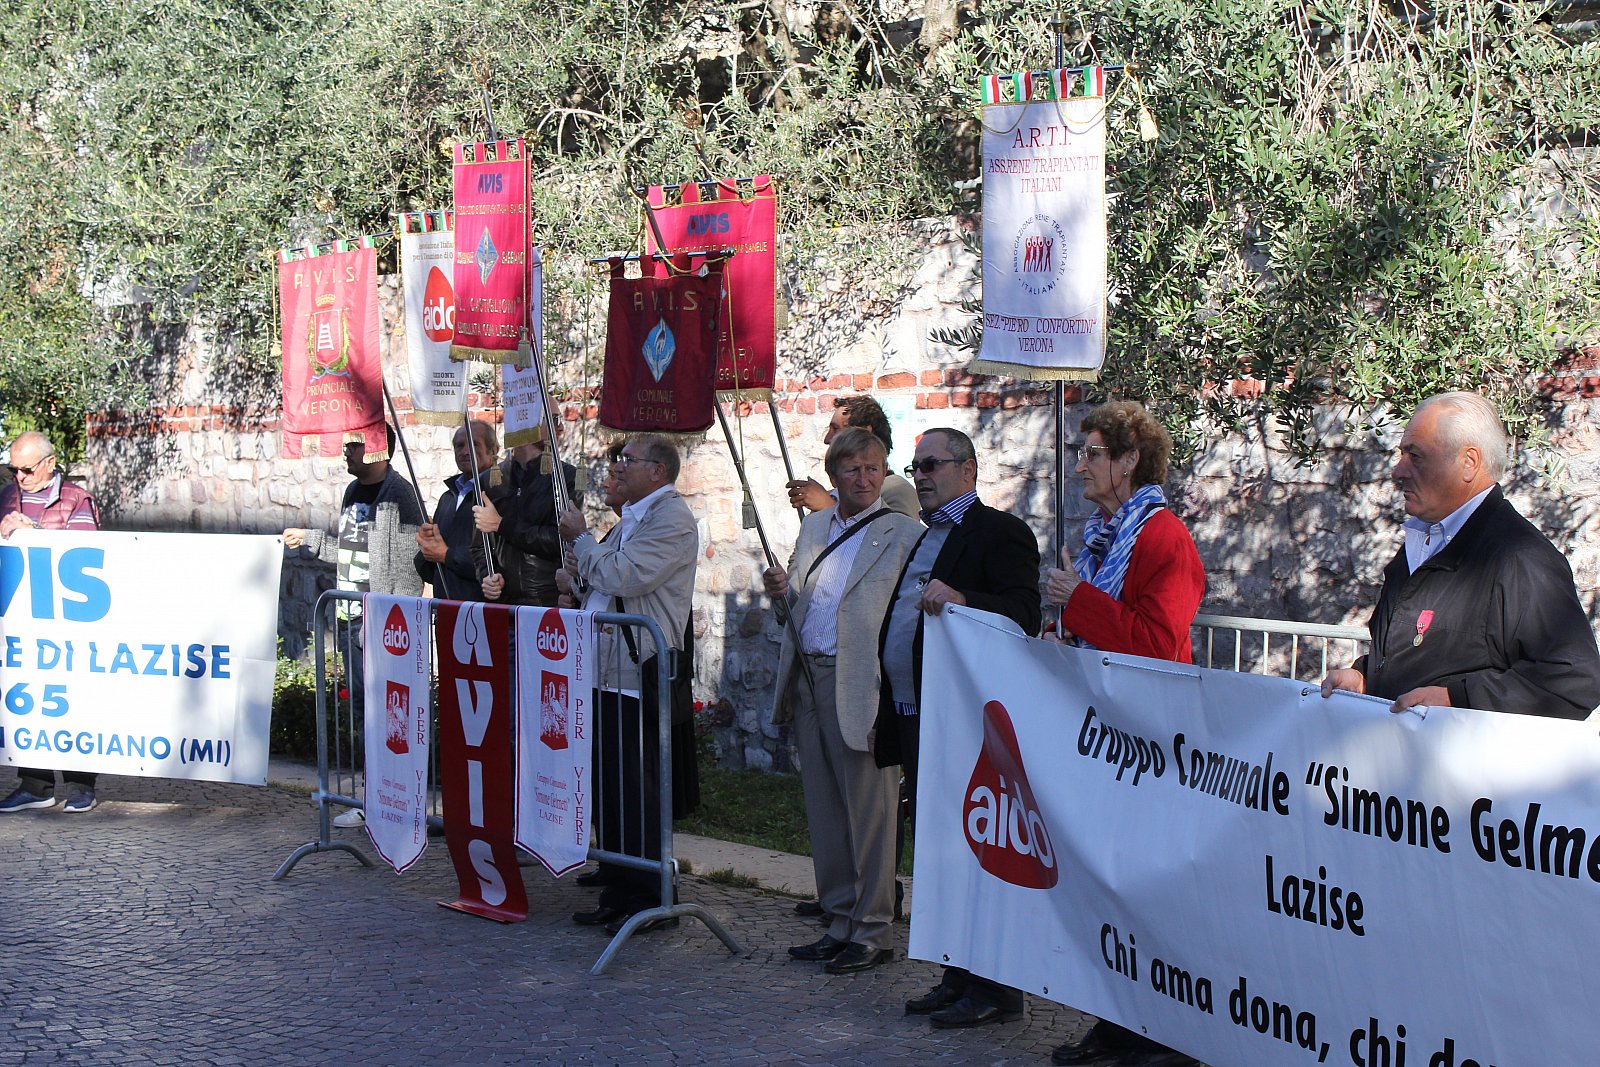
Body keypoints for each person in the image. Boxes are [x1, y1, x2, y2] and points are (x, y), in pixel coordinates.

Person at [1042, 400, 1205, 1067]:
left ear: (1130, 460)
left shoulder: (1163, 537)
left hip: (1149, 745)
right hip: (1107, 742)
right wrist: (1060, 634)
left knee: (1145, 894)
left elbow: (1158, 646)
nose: (1081, 466)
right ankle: (1115, 1021)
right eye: (1080, 453)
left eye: (1093, 454)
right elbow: (1100, 630)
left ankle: (1163, 1035)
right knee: (1106, 888)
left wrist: (1076, 601)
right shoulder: (1103, 537)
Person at [874, 426, 1042, 1027]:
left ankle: (996, 988)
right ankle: (957, 971)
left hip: (967, 725)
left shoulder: (999, 531)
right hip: (916, 713)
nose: (920, 476)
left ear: (968, 470)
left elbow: (1024, 613)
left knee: (978, 852)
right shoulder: (927, 535)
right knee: (941, 851)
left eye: (932, 465)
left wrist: (965, 598)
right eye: (915, 466)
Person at [1320, 391, 1600, 718]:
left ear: (1469, 462)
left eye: (1415, 456)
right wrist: (1365, 678)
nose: (1398, 471)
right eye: (1402, 455)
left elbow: (1575, 679)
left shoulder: (1519, 557)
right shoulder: (1420, 545)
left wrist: (1459, 699)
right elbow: (1432, 657)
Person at [764, 428, 921, 976]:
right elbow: (796, 610)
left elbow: (906, 623)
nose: (864, 478)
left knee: (870, 812)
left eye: (873, 467)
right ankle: (837, 920)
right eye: (852, 469)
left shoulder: (903, 534)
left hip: (862, 685)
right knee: (826, 807)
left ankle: (873, 929)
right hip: (808, 677)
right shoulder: (815, 526)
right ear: (833, 476)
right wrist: (781, 594)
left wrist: (894, 698)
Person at [557, 434, 698, 935]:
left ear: (658, 471)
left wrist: (581, 540)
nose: (618, 466)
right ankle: (618, 887)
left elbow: (625, 576)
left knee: (636, 788)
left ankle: (646, 894)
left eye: (628, 460)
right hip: (608, 669)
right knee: (611, 786)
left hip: (638, 671)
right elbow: (603, 582)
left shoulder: (672, 519)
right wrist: (576, 580)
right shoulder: (634, 517)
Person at [284, 424, 426, 827]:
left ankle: (392, 803)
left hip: (379, 625)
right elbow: (348, 552)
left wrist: (384, 623)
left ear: (378, 449)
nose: (346, 450)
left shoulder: (399, 496)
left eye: (355, 445)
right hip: (350, 620)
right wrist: (311, 538)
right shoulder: (352, 493)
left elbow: (409, 572)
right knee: (365, 711)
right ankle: (372, 800)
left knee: (388, 714)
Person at [0, 431, 103, 813]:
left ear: (50, 462)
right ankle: (35, 785)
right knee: (30, 701)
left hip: (69, 620)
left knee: (73, 700)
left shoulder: (76, 499)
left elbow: (88, 551)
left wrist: (36, 535)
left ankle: (80, 786)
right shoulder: (7, 496)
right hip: (20, 618)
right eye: (14, 470)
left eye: (27, 470)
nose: (20, 477)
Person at [475, 433, 577, 607]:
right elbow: (479, 545)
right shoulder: (490, 478)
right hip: (503, 602)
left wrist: (502, 525)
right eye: (552, 420)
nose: (559, 427)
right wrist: (489, 575)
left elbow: (561, 539)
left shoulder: (565, 476)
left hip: (547, 599)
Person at [413, 419, 506, 600]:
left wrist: (447, 555)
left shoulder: (500, 494)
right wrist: (427, 546)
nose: (464, 451)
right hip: (446, 606)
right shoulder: (448, 498)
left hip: (481, 608)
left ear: (493, 450)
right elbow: (432, 569)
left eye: (473, 444)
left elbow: (500, 561)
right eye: (459, 445)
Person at [786, 395, 919, 517]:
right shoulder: (838, 494)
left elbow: (897, 533)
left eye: (836, 429)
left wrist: (827, 506)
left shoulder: (897, 489)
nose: (827, 439)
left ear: (864, 433)